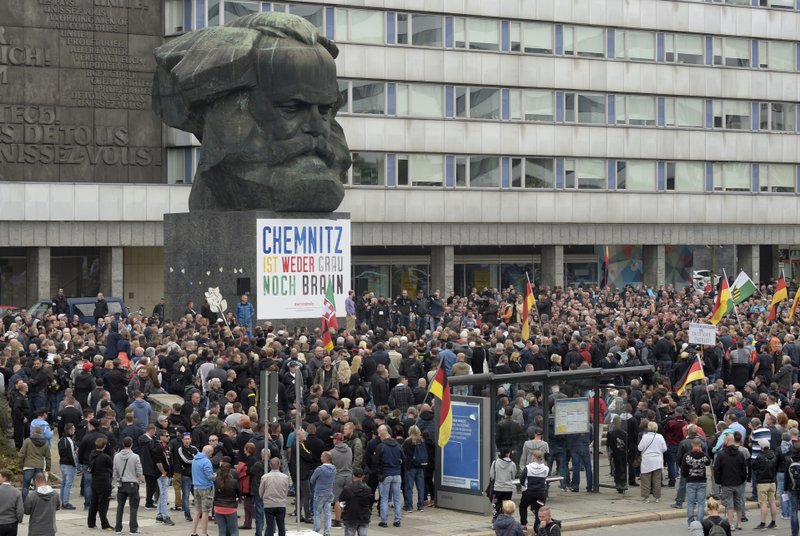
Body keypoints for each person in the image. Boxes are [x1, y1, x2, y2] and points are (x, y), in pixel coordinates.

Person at [714, 434, 748, 531]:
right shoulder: (740, 453)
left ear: (726, 441)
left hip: (726, 482)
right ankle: (740, 523)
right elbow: (744, 469)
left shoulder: (721, 454)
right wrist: (743, 479)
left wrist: (718, 481)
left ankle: (730, 524)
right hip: (738, 482)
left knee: (729, 504)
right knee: (739, 503)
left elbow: (717, 469)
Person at [374, 424, 404, 528]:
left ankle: (384, 521)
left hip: (385, 474)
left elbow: (375, 461)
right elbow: (403, 458)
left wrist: (379, 471)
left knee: (384, 499)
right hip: (397, 474)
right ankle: (397, 520)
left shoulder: (381, 446)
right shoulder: (397, 445)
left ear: (382, 437)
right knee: (397, 498)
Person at [681, 437, 711, 526]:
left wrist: (686, 477)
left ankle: (690, 523)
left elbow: (683, 470)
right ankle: (699, 522)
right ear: (700, 445)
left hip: (690, 481)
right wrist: (702, 452)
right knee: (701, 503)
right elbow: (708, 462)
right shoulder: (703, 455)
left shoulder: (687, 455)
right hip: (702, 480)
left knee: (690, 503)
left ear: (692, 445)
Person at [519, 450, 548, 534]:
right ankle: (537, 530)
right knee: (538, 511)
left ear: (533, 457)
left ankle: (523, 525)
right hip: (540, 494)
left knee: (523, 507)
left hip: (529, 493)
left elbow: (522, 479)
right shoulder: (546, 468)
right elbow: (545, 478)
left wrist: (524, 486)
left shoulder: (528, 468)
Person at [87, 436, 114, 530]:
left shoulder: (92, 455)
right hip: (104, 482)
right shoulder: (105, 457)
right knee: (103, 504)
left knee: (94, 502)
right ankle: (104, 524)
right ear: (104, 446)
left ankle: (91, 522)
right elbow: (111, 466)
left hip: (94, 481)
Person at [752, 438, 779, 530]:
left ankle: (763, 523)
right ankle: (773, 522)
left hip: (762, 482)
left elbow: (754, 467)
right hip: (772, 481)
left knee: (763, 503)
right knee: (772, 502)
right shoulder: (774, 456)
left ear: (761, 447)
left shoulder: (759, 457)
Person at [19, 426, 51, 503]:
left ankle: (24, 503)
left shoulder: (27, 441)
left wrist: (20, 464)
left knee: (25, 486)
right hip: (39, 466)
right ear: (41, 433)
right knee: (38, 486)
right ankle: (37, 503)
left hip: (28, 466)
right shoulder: (45, 443)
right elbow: (48, 457)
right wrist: (48, 468)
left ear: (33, 432)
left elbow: (22, 454)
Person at [638, 420, 667, 503]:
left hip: (647, 461)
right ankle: (657, 497)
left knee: (646, 480)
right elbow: (664, 448)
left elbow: (640, 448)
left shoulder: (645, 436)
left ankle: (646, 497)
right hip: (657, 461)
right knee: (657, 480)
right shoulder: (660, 436)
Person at [259, 457, 289, 536]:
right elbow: (286, 490)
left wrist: (263, 498)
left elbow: (261, 491)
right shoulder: (285, 477)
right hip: (280, 504)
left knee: (270, 526)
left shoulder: (265, 477)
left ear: (270, 465)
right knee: (281, 525)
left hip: (268, 504)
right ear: (279, 465)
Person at [152, 430, 176, 526]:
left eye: (168, 435)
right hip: (162, 475)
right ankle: (165, 516)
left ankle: (159, 515)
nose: (168, 437)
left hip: (167, 474)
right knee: (164, 495)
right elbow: (158, 462)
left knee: (163, 495)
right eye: (166, 436)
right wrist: (163, 472)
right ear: (161, 437)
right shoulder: (158, 447)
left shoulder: (166, 447)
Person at [401, 425, 426, 514]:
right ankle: (421, 505)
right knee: (420, 487)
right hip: (420, 467)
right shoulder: (422, 441)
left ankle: (409, 506)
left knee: (409, 487)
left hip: (410, 467)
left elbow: (403, 454)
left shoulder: (407, 442)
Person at [329, 432, 353, 526]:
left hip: (338, 476)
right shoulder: (349, 450)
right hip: (348, 476)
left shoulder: (332, 452)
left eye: (333, 439)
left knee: (337, 499)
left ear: (336, 440)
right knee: (346, 499)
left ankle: (338, 520)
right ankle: (345, 517)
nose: (333, 440)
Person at [310, 451, 336, 536]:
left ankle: (316, 530)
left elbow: (312, 480)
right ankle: (327, 532)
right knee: (327, 514)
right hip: (329, 492)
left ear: (325, 458)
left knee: (317, 513)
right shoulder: (334, 469)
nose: (320, 458)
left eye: (321, 456)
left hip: (319, 492)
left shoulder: (319, 469)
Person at [339, 467, 372, 536]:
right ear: (363, 476)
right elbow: (370, 502)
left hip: (350, 516)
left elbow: (341, 502)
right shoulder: (368, 489)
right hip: (363, 516)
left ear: (353, 475)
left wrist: (343, 511)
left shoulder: (347, 488)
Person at [191, 445, 215, 536]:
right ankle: (204, 533)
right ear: (208, 452)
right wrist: (216, 476)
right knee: (205, 511)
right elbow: (209, 476)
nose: (211, 455)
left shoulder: (195, 459)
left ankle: (193, 532)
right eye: (211, 453)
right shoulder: (206, 461)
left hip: (196, 487)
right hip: (206, 488)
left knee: (197, 510)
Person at [489, 448, 517, 522]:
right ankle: (505, 520)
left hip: (497, 488)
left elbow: (492, 475)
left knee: (496, 504)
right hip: (508, 489)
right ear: (508, 454)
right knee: (507, 506)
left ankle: (496, 519)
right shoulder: (512, 464)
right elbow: (513, 476)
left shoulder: (495, 463)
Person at [214, 462, 240, 536]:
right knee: (234, 531)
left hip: (218, 507)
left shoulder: (216, 481)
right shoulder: (234, 482)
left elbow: (215, 495)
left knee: (222, 531)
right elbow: (239, 494)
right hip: (230, 507)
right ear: (230, 470)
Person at [56, 423, 79, 510]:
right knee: (68, 484)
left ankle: (62, 501)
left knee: (64, 483)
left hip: (62, 463)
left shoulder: (61, 439)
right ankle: (65, 502)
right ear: (69, 430)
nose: (74, 430)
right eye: (73, 429)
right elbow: (72, 455)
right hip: (69, 464)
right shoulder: (69, 441)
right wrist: (75, 465)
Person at [0, 469, 23, 536]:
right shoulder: (17, 492)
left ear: (4, 478)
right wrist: (19, 520)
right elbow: (20, 510)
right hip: (11, 523)